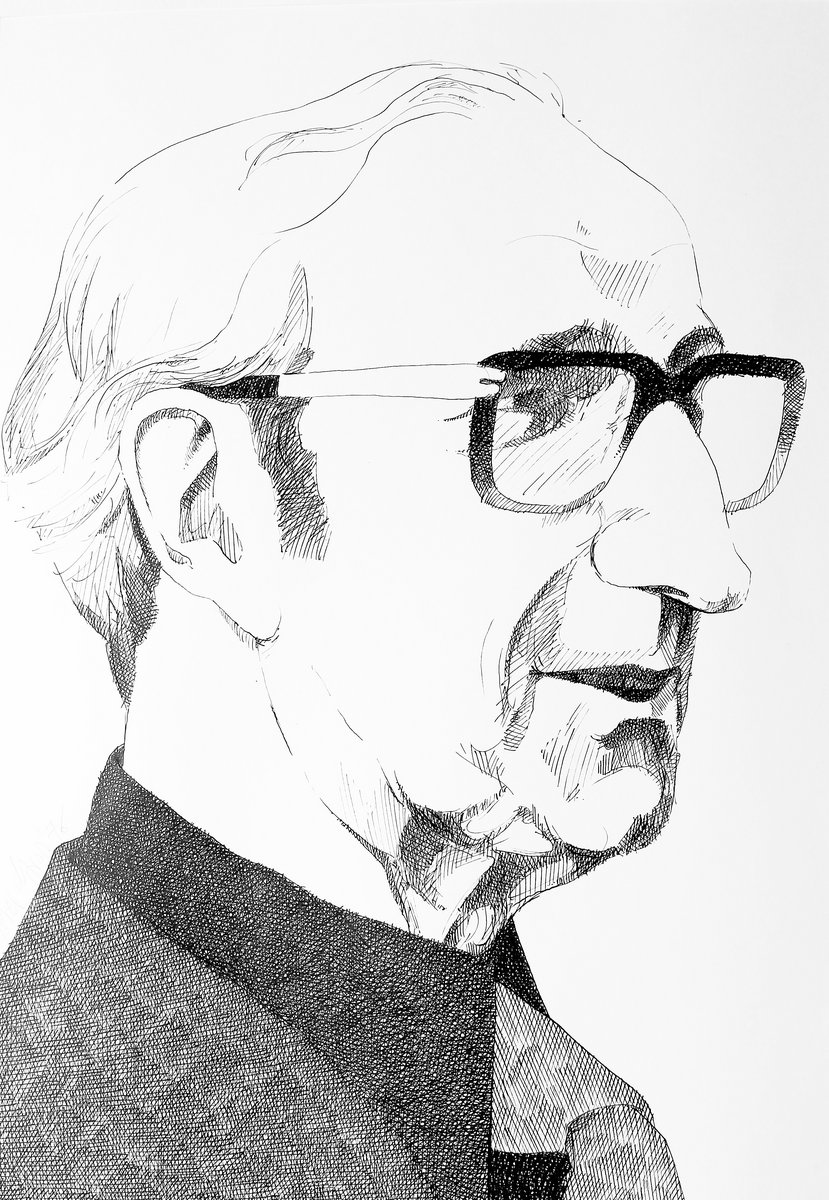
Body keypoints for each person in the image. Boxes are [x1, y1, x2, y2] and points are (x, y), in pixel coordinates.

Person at [0, 63, 804, 1199]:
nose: (709, 566)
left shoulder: (574, 1133)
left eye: (692, 412)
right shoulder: (55, 1139)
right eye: (548, 407)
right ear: (210, 507)